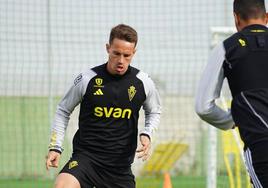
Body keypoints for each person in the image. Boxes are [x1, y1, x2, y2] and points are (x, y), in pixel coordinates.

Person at [45, 24, 161, 188]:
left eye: (127, 55)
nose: (121, 60)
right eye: (116, 53)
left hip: (119, 168)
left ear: (134, 53)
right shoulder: (87, 79)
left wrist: (147, 133)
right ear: (108, 48)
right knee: (62, 186)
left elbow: (154, 111)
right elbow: (63, 110)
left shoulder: (143, 82)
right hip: (86, 160)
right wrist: (55, 147)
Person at [195, 0, 268, 187]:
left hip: (261, 145)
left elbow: (203, 107)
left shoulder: (227, 47)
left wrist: (232, 119)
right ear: (266, 17)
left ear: (236, 18)